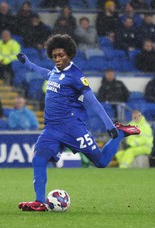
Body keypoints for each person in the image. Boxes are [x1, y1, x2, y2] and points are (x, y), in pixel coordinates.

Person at [15, 34, 140, 211]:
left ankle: (120, 134)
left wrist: (109, 125)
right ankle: (39, 202)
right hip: (51, 129)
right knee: (39, 158)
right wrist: (27, 63)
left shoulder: (76, 76)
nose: (58, 59)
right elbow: (44, 73)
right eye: (55, 56)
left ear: (70, 55)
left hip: (72, 128)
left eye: (61, 55)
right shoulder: (55, 73)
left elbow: (92, 101)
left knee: (102, 162)